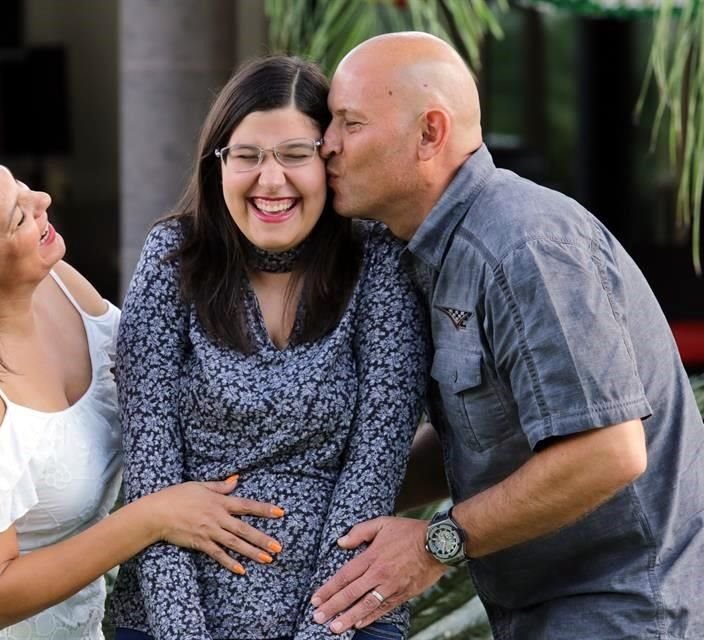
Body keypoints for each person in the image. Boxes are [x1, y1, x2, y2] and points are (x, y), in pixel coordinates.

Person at [306, 32, 704, 638]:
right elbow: (488, 444)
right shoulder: (428, 251)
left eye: (348, 123)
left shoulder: (526, 246)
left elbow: (606, 452)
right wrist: (326, 484)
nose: (324, 145)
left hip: (641, 616)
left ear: (430, 133)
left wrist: (435, 543)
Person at [0, 135, 288, 640]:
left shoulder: (56, 283)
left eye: (22, 188)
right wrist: (155, 517)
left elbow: (152, 370)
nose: (43, 202)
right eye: (18, 216)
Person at [107, 56, 429, 640]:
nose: (270, 181)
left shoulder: (378, 262)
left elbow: (374, 468)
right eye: (248, 156)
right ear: (218, 165)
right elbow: (152, 477)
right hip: (169, 618)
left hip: (345, 615)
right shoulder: (171, 259)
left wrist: (318, 633)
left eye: (295, 155)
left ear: (329, 157)